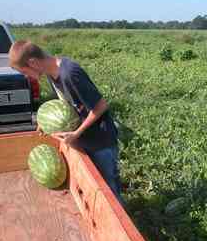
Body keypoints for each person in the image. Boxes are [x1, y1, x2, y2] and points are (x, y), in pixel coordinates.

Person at [8, 40, 123, 203]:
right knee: (95, 187)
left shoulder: (70, 73)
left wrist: (76, 133)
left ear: (33, 62)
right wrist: (44, 120)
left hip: (100, 140)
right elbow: (63, 102)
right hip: (83, 139)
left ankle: (121, 222)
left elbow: (101, 106)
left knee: (109, 189)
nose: (27, 76)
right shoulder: (50, 74)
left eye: (24, 72)